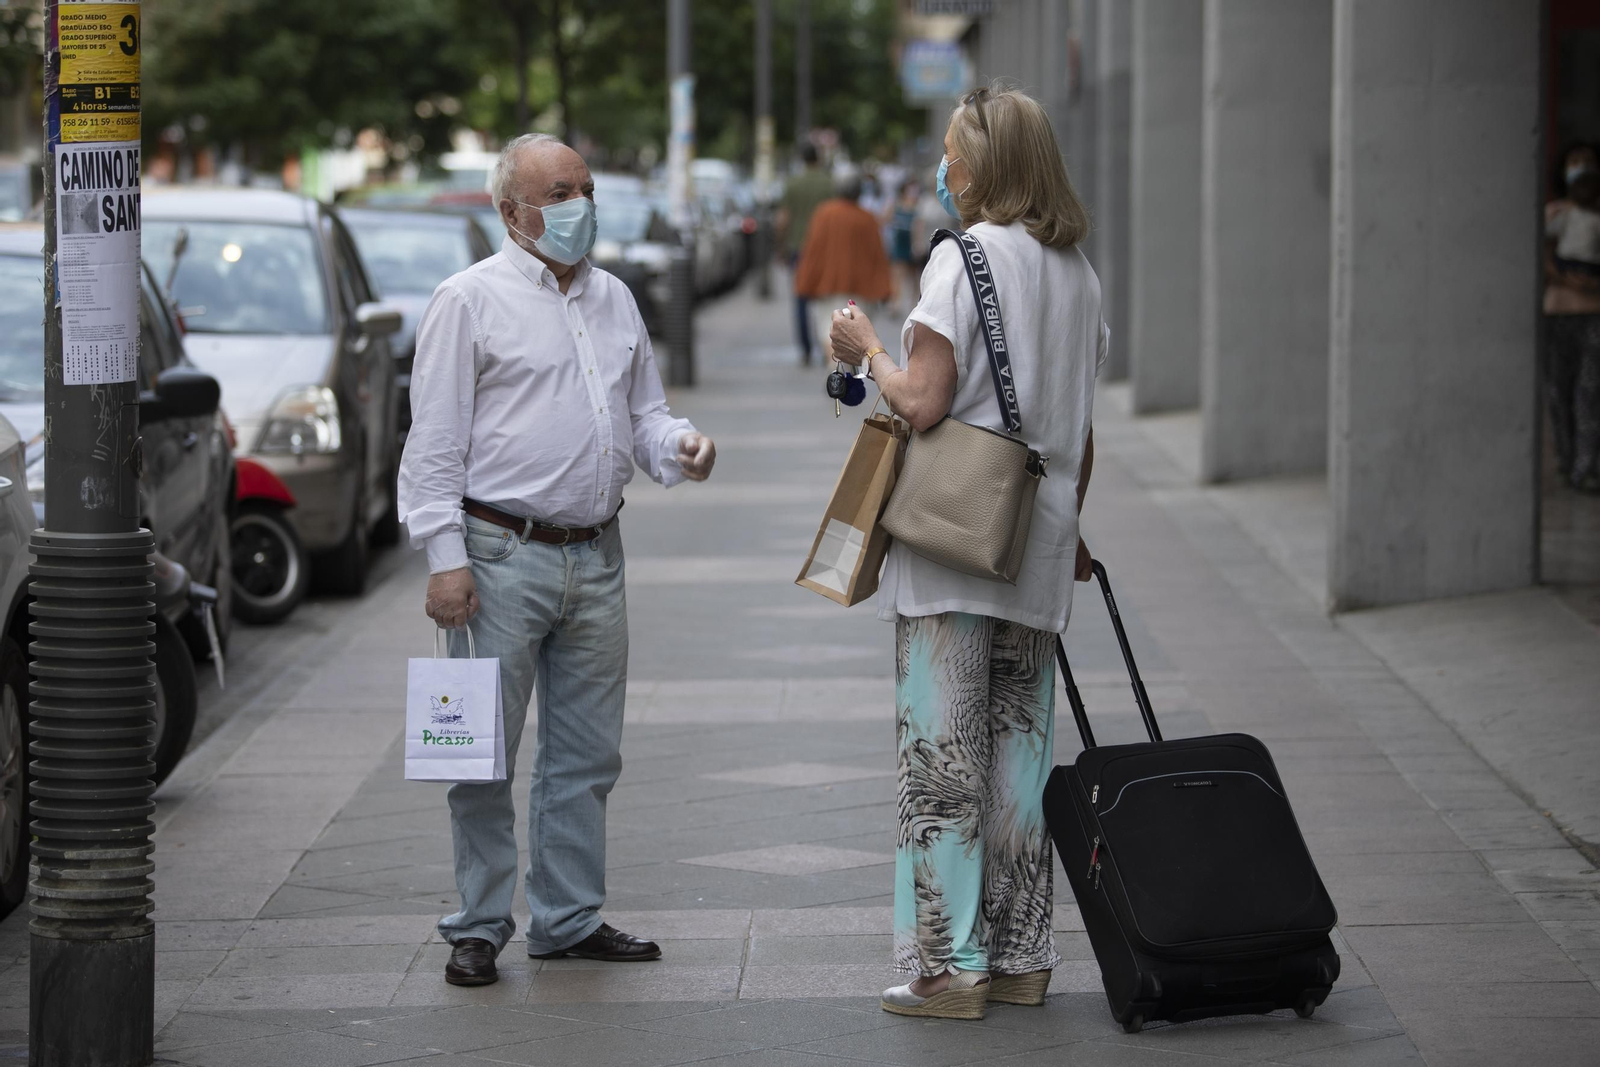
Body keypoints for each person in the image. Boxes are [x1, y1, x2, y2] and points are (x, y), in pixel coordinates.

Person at [397, 133, 718, 987]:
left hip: (596, 555)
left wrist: (680, 445)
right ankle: (478, 924)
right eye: (560, 192)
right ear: (512, 211)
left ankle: (568, 917)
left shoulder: (615, 297)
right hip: (499, 555)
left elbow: (644, 414)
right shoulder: (467, 301)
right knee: (482, 753)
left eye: (583, 189)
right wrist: (443, 556)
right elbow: (432, 444)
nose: (581, 206)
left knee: (585, 753)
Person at [828, 85, 1104, 1021]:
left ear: (986, 167)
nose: (943, 169)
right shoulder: (1079, 273)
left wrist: (867, 346)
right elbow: (1083, 431)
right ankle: (1024, 956)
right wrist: (1070, 530)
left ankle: (948, 969)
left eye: (953, 153)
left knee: (943, 758)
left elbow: (923, 402)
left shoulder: (966, 258)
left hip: (956, 545)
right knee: (1019, 758)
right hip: (1039, 542)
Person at [1544, 143, 1600, 491]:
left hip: (1593, 313)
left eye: (1588, 165)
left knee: (1589, 391)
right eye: (1575, 164)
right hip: (1558, 311)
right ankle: (1567, 460)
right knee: (1559, 390)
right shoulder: (1556, 214)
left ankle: (1586, 464)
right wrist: (1564, 277)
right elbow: (1544, 256)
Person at [795, 170, 894, 364]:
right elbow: (878, 256)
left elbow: (812, 251)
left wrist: (806, 283)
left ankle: (837, 377)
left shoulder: (824, 214)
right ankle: (845, 379)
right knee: (856, 339)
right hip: (860, 292)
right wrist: (884, 290)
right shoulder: (867, 219)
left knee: (829, 333)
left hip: (827, 288)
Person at [777, 144, 835, 365]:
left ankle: (805, 350)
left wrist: (780, 247)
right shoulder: (829, 183)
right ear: (818, 158)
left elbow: (783, 219)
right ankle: (826, 346)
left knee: (801, 298)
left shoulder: (793, 184)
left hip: (798, 248)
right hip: (825, 249)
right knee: (826, 299)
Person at [885, 179, 923, 319]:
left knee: (914, 277)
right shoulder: (896, 205)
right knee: (897, 275)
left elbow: (920, 226)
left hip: (912, 244)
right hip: (899, 243)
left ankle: (914, 305)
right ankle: (894, 304)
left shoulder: (918, 206)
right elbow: (885, 219)